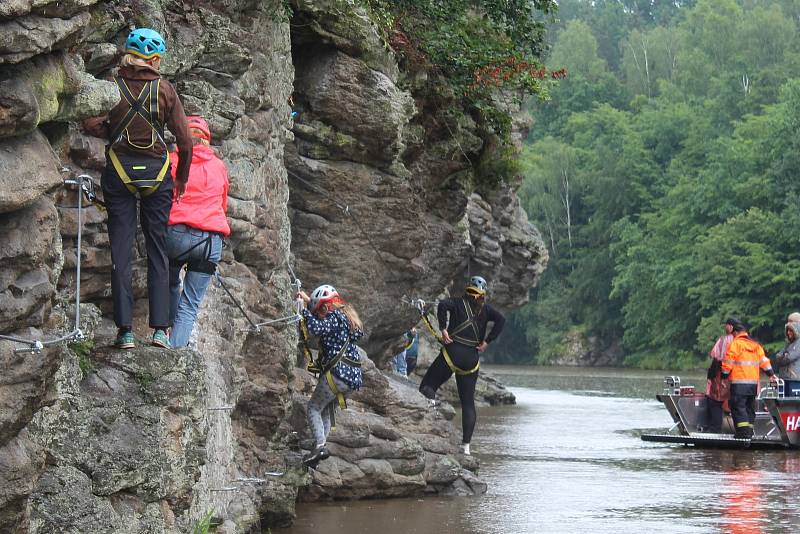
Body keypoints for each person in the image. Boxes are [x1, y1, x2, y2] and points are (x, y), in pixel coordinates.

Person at [83, 28, 192, 350]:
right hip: (157, 176)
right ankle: (160, 330)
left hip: (119, 173)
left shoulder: (112, 87)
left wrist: (109, 128)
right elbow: (185, 142)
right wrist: (181, 178)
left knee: (121, 250)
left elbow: (88, 123)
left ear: (127, 56)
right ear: (155, 59)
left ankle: (125, 332)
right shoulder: (165, 90)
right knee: (157, 250)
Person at [418, 276, 505, 455]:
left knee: (427, 385)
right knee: (468, 403)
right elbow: (501, 320)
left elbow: (442, 305)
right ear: (483, 294)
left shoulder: (457, 303)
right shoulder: (487, 310)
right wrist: (487, 341)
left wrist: (443, 329)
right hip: (471, 360)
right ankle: (466, 447)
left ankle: (432, 414)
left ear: (467, 290)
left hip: (452, 353)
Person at [166, 116, 230, 348]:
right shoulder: (219, 166)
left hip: (177, 234)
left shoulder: (173, 161)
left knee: (171, 283)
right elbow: (222, 205)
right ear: (207, 140)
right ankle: (175, 351)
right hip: (210, 240)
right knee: (190, 304)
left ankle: (163, 335)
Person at [297, 284, 365, 467]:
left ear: (326, 307)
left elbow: (316, 329)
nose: (318, 314)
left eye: (320, 311)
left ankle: (319, 446)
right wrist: (309, 301)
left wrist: (303, 311)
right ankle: (319, 450)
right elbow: (323, 318)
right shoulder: (347, 318)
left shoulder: (334, 317)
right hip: (351, 379)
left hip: (337, 375)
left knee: (312, 408)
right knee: (325, 411)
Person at [721, 318, 776, 438]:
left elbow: (727, 364)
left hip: (738, 384)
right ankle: (749, 432)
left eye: (726, 326)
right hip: (753, 385)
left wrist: (723, 377)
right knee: (749, 409)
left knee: (738, 408)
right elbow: (764, 362)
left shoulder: (735, 344)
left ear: (731, 327)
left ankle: (743, 435)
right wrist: (771, 374)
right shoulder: (755, 345)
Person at [705, 319, 733, 433]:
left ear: (730, 327)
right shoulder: (746, 343)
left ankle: (715, 429)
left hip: (722, 376)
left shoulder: (723, 340)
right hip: (739, 379)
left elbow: (715, 355)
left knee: (715, 401)